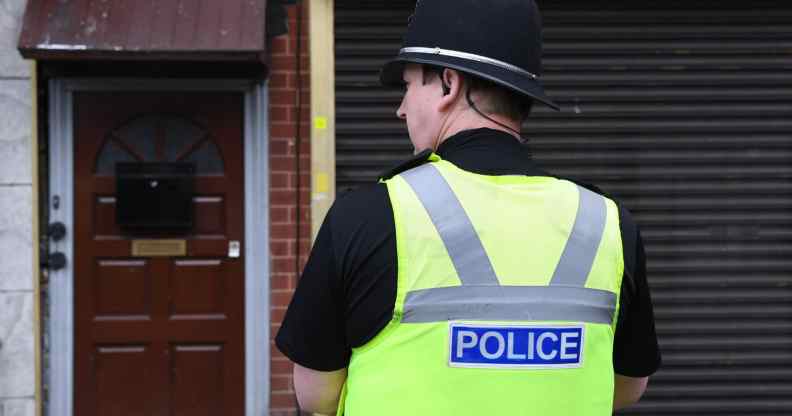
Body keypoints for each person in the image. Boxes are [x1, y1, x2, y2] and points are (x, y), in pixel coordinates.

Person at [276, 0, 661, 414]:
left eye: (408, 86)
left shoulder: (368, 215)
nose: (401, 108)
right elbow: (627, 386)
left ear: (448, 84)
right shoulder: (605, 222)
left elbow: (316, 394)